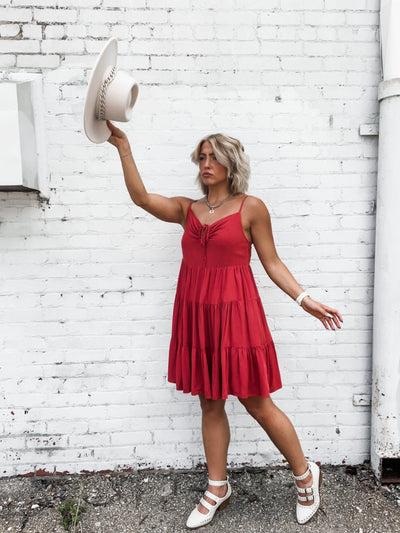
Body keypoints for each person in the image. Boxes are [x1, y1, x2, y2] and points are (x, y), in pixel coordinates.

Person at [106, 121, 343, 528]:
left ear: (231, 163)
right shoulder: (187, 210)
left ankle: (306, 475)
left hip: (237, 316)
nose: (206, 163)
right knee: (210, 402)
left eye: (214, 156)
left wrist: (304, 300)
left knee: (257, 402)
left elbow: (272, 262)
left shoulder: (251, 208)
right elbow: (142, 198)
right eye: (201, 157)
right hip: (197, 315)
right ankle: (217, 487)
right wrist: (123, 147)